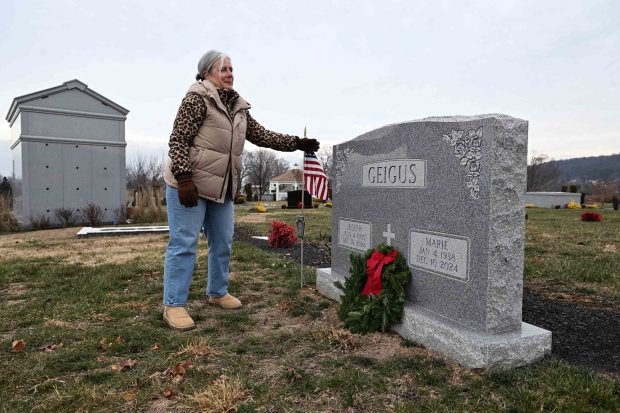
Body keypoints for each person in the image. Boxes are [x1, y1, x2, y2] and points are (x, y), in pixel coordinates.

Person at [162, 50, 319, 331]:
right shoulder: (197, 99)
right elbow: (178, 139)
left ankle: (217, 293)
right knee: (183, 244)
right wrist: (184, 177)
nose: (229, 73)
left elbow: (263, 135)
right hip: (189, 186)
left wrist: (297, 142)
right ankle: (173, 305)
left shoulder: (238, 107)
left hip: (222, 189)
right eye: (223, 69)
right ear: (206, 73)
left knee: (223, 242)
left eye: (231, 68)